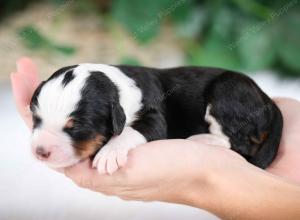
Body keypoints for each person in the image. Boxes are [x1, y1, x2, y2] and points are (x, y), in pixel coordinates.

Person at [11, 57, 300, 219]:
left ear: (116, 116)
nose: (42, 145)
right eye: (38, 119)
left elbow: (153, 124)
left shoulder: (133, 98)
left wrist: (123, 141)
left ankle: (233, 143)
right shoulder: (107, 94)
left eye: (73, 128)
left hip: (232, 93)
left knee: (227, 95)